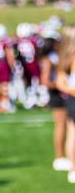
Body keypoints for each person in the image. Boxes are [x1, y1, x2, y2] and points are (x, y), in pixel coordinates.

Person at [40, 32, 71, 171]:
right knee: (61, 125)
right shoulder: (49, 58)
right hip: (57, 95)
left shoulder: (56, 57)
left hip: (61, 92)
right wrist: (61, 85)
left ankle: (65, 156)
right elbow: (45, 80)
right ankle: (59, 156)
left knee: (66, 126)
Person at [52, 26, 75, 184]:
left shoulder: (64, 57)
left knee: (72, 133)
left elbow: (60, 83)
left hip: (70, 99)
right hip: (72, 98)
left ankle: (73, 167)